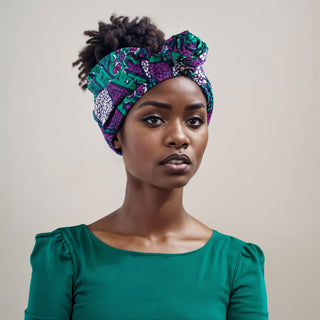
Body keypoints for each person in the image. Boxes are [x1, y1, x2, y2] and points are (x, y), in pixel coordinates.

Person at [24, 15, 269, 320]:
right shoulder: (66, 258)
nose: (180, 137)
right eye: (154, 119)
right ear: (116, 135)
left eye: (194, 121)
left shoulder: (236, 264)